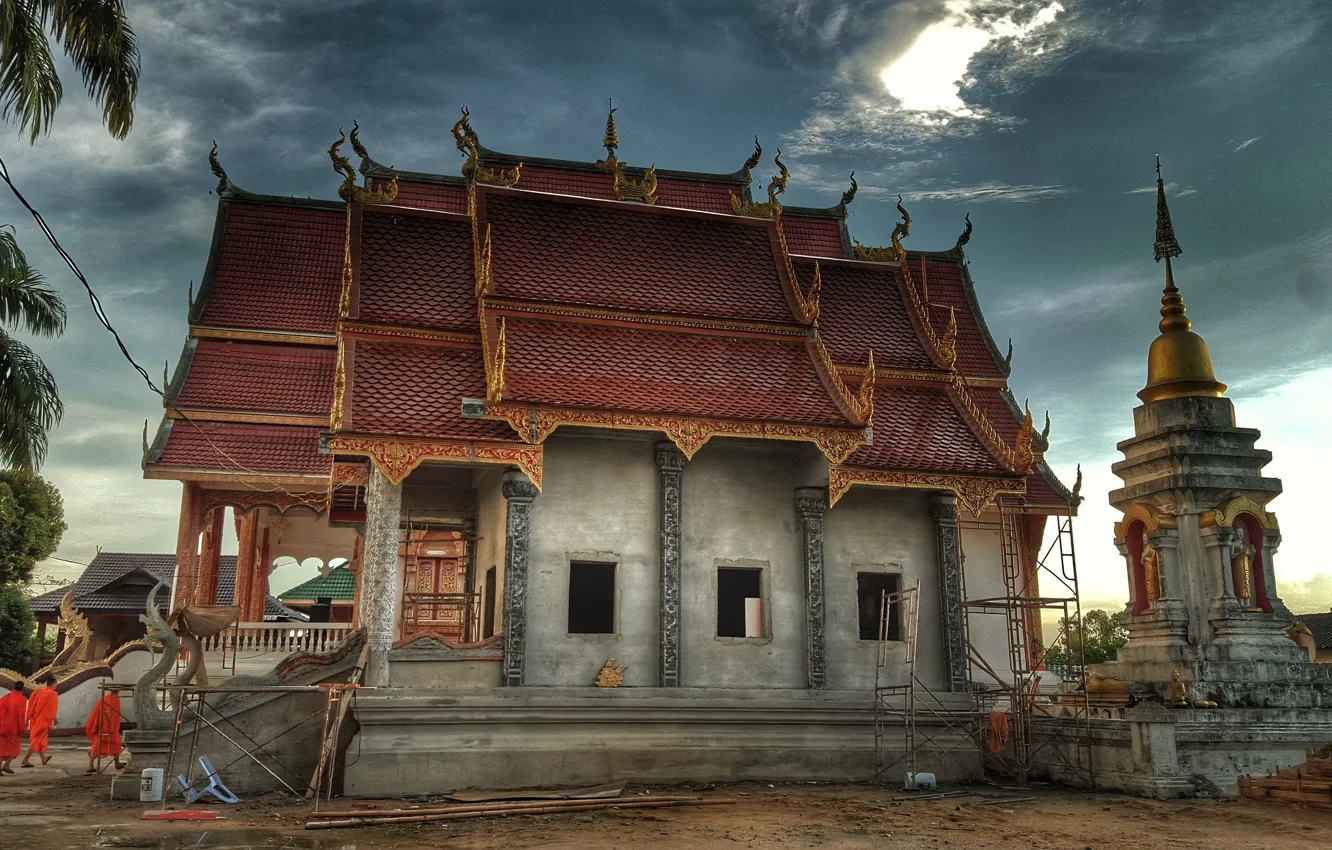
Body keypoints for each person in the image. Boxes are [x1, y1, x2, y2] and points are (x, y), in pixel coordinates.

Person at [84, 688, 124, 773]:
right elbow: (113, 715)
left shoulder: (105, 699)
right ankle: (91, 765)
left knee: (112, 745)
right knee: (103, 745)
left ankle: (116, 763)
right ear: (118, 691)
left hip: (107, 726)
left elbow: (99, 713)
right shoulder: (113, 699)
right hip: (108, 727)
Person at [21, 676, 58, 767]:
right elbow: (52, 709)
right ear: (53, 684)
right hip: (44, 720)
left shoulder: (37, 692)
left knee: (40, 739)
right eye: (56, 685)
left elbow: (30, 706)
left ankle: (43, 758)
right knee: (37, 740)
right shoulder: (53, 694)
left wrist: (27, 719)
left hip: (35, 720)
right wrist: (55, 719)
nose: (56, 687)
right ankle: (26, 759)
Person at [0, 680, 28, 775]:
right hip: (13, 727)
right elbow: (20, 715)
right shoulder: (21, 699)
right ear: (23, 689)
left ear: (13, 687)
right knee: (14, 749)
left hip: (3, 726)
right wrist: (22, 728)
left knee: (2, 748)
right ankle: (6, 764)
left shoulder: (6, 697)